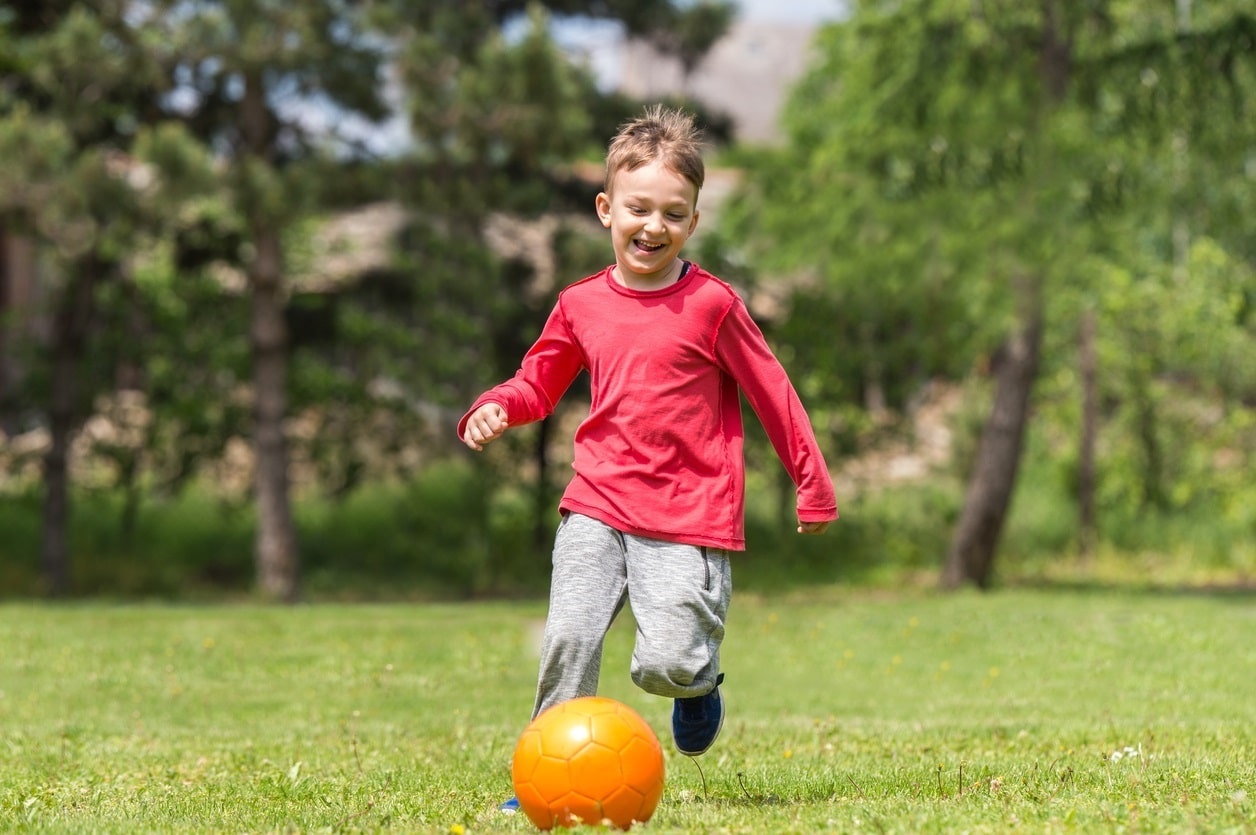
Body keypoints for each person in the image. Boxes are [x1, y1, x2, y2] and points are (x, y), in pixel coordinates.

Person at [458, 105, 837, 812]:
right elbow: (538, 380)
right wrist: (499, 404)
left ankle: (698, 684)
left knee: (666, 660)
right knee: (569, 634)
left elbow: (773, 392)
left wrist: (811, 485)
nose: (653, 225)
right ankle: (543, 770)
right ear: (607, 209)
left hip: (688, 512)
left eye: (673, 212)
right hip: (597, 499)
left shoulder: (712, 305)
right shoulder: (580, 304)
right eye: (638, 208)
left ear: (692, 222)